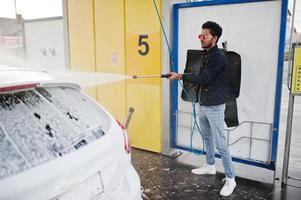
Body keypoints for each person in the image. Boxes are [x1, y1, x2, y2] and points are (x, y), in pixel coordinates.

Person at [167, 21, 236, 197]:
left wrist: (181, 76)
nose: (201, 38)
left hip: (214, 105)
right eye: (200, 35)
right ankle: (211, 165)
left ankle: (230, 178)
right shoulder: (207, 54)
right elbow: (201, 77)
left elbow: (204, 79)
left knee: (220, 142)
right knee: (207, 137)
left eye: (205, 36)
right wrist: (181, 75)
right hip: (204, 103)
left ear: (215, 38)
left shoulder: (218, 57)